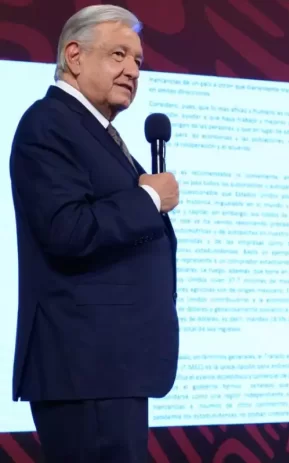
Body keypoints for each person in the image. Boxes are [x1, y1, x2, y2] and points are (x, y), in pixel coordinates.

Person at [8, 5, 180, 462]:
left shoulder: (93, 131)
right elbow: (67, 230)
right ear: (75, 56)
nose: (133, 70)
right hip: (86, 370)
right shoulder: (48, 124)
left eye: (138, 60)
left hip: (109, 370)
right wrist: (148, 198)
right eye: (118, 54)